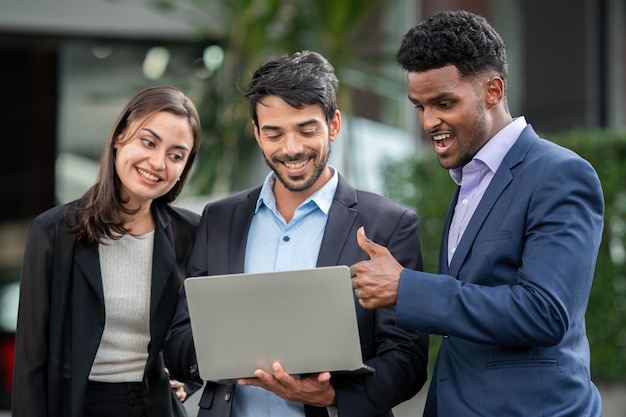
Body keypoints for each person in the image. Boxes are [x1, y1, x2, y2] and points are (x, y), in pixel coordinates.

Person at [349, 9, 604, 417]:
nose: (429, 121)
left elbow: (545, 313)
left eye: (444, 103)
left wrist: (407, 289)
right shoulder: (468, 180)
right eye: (419, 106)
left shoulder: (560, 174)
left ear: (493, 90)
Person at [164, 50, 429, 417]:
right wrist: (227, 348)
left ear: (333, 125)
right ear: (257, 133)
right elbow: (179, 340)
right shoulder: (219, 218)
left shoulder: (388, 224)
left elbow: (406, 358)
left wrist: (332, 394)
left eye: (307, 130)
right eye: (274, 133)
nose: (292, 149)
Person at [12, 85, 203, 417]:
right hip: (80, 406)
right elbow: (30, 362)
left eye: (176, 155)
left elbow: (201, 330)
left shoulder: (192, 233)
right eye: (148, 142)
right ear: (120, 137)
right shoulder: (54, 232)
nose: (158, 163)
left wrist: (189, 379)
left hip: (156, 407)